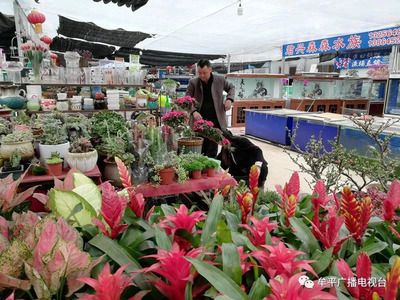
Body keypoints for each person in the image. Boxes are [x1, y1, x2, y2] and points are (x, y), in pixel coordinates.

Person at [186, 59, 235, 158]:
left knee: (212, 149)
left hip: (215, 120)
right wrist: (194, 111)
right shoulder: (193, 82)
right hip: (199, 121)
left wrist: (229, 99)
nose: (202, 75)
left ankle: (210, 170)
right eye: (199, 73)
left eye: (204, 73)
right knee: (199, 148)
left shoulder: (220, 79)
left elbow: (231, 87)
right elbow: (187, 99)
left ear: (210, 70)